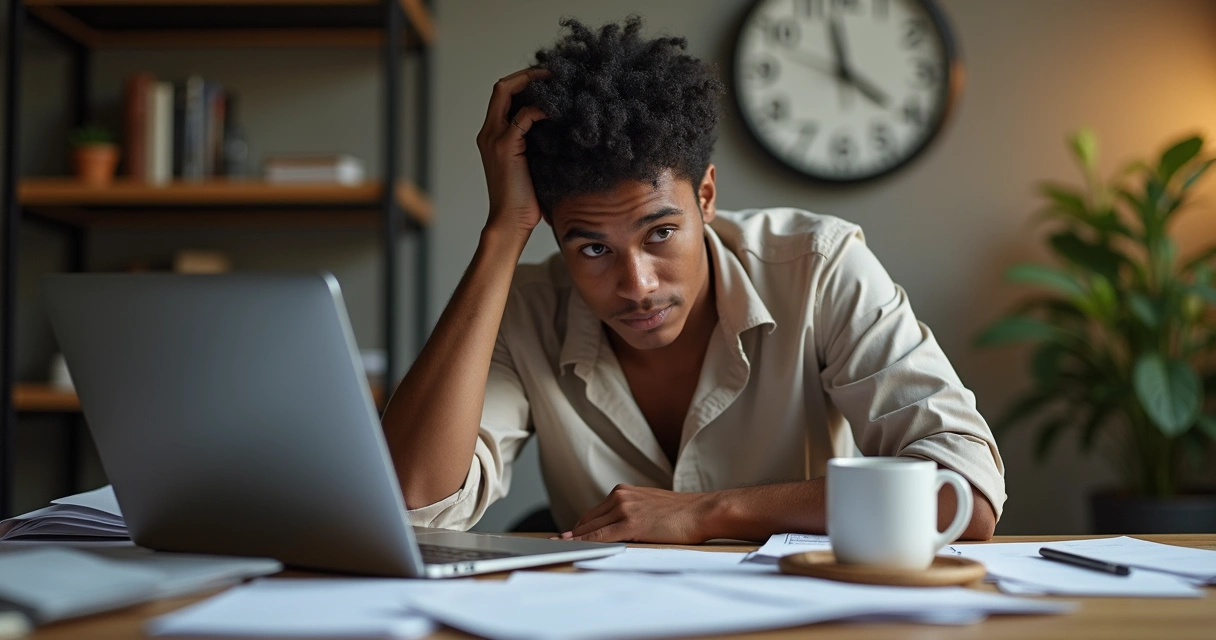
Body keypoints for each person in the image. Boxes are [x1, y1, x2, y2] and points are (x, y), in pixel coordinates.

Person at [381, 16, 1003, 544]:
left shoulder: (819, 267)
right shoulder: (527, 312)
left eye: (659, 234)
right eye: (593, 247)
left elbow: (962, 491)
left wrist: (712, 511)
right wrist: (503, 233)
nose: (638, 284)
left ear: (705, 196)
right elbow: (410, 503)